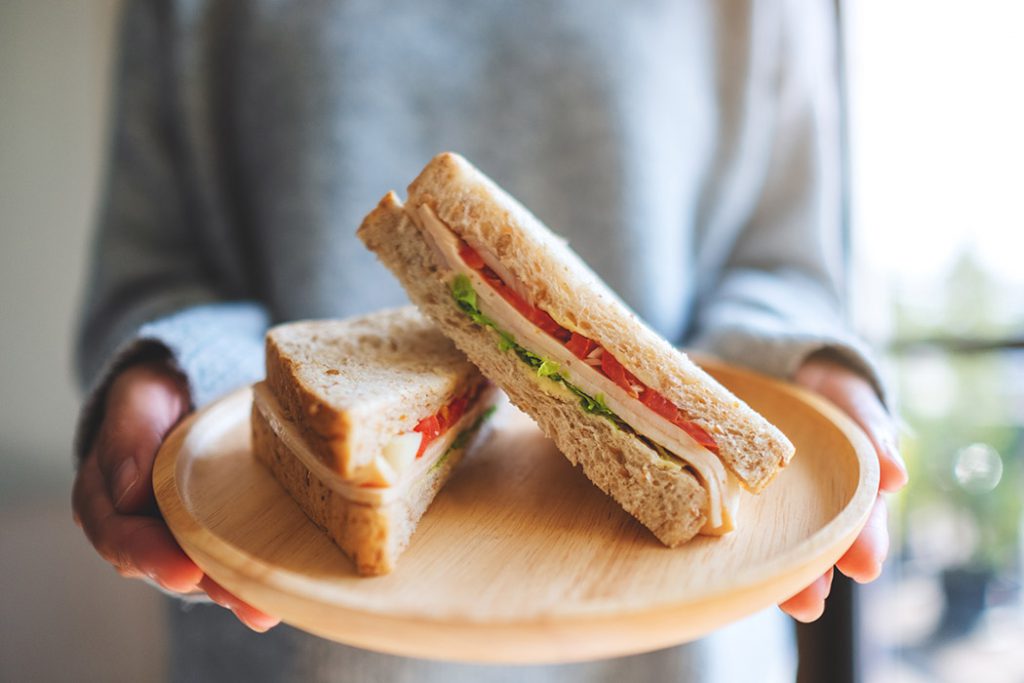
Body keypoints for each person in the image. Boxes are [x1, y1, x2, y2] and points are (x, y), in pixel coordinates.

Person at [72, 1, 908, 681]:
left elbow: (784, 263)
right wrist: (175, 373)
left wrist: (803, 365)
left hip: (681, 651)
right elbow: (154, 268)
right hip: (290, 645)